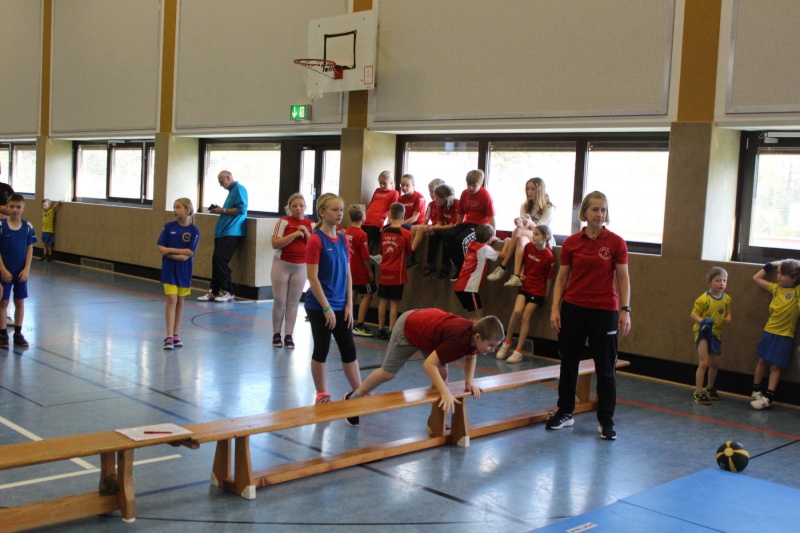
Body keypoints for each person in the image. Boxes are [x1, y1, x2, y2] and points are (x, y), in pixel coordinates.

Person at [547, 191, 630, 440]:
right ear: (584, 212)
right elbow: (562, 277)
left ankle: (606, 420)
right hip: (573, 308)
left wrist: (625, 310)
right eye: (595, 209)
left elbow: (623, 278)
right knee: (568, 363)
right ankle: (565, 411)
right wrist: (555, 308)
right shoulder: (572, 243)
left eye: (603, 210)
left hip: (605, 311)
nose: (599, 214)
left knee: (606, 369)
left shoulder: (616, 242)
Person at [342, 308, 505, 426]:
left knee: (442, 377)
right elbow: (428, 365)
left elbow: (471, 356)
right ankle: (353, 398)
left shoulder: (473, 338)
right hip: (408, 328)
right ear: (478, 337)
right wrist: (445, 393)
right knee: (388, 373)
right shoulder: (458, 340)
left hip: (429, 334)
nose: (493, 350)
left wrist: (469, 382)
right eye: (491, 345)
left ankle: (435, 422)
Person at [304, 193, 362, 405]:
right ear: (322, 212)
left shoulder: (343, 240)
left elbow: (348, 274)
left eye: (341, 210)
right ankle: (322, 394)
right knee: (322, 349)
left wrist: (349, 305)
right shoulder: (315, 240)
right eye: (334, 209)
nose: (339, 213)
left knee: (349, 349)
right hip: (319, 306)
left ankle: (359, 392)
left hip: (340, 305)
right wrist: (326, 308)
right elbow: (312, 277)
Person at [496, 224, 554, 364]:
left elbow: (549, 279)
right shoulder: (528, 247)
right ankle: (506, 342)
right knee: (516, 311)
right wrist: (522, 272)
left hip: (538, 291)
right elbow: (523, 263)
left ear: (545, 238)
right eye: (533, 234)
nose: (533, 237)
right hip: (525, 286)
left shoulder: (549, 256)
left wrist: (546, 296)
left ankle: (518, 351)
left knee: (525, 317)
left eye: (537, 235)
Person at [749, 259, 800, 410]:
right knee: (762, 361)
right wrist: (772, 264)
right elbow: (756, 278)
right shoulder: (776, 289)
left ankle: (769, 397)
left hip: (784, 335)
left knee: (775, 367)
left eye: (783, 274)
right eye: (779, 273)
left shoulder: (797, 292)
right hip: (769, 331)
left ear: (794, 278)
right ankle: (755, 390)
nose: (779, 276)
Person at [487, 177, 555, 286]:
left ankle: (503, 266)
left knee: (518, 231)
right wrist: (520, 224)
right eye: (528, 189)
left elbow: (541, 231)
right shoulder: (525, 206)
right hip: (529, 235)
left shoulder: (549, 207)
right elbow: (524, 227)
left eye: (532, 189)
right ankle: (516, 276)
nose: (529, 192)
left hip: (543, 239)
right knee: (521, 239)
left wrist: (529, 224)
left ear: (540, 190)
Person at [270, 193, 313, 349]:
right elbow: (275, 243)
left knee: (293, 302)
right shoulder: (283, 222)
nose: (298, 208)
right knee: (280, 301)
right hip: (282, 265)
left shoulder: (310, 224)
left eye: (301, 206)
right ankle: (276, 333)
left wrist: (306, 233)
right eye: (294, 206)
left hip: (301, 267)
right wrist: (294, 234)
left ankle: (289, 335)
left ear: (305, 208)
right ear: (289, 208)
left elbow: (314, 245)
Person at [197, 170, 248, 303]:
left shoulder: (239, 189)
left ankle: (228, 291)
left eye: (221, 182)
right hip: (222, 231)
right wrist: (220, 210)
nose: (221, 185)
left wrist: (222, 210)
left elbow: (242, 210)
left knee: (220, 258)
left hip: (232, 232)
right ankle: (214, 290)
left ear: (228, 177)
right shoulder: (231, 192)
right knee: (216, 260)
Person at [157, 198, 200, 350]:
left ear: (187, 210)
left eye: (178, 207)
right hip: (169, 269)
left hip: (184, 271)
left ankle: (176, 334)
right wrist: (176, 256)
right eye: (174, 207)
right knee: (172, 299)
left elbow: (190, 251)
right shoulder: (168, 227)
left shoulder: (194, 230)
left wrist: (170, 250)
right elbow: (161, 248)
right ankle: (169, 335)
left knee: (180, 301)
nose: (174, 210)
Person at [442, 169, 495, 281]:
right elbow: (460, 213)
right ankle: (458, 264)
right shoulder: (465, 193)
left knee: (461, 240)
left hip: (480, 225)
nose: (470, 188)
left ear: (480, 183)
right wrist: (457, 227)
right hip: (467, 223)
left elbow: (491, 217)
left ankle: (466, 268)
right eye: (468, 185)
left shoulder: (485, 195)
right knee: (448, 235)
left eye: (474, 186)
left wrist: (492, 234)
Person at [689, 267, 732, 404]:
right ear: (709, 283)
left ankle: (710, 387)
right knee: (704, 362)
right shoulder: (703, 299)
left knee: (715, 363)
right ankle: (698, 391)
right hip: (703, 332)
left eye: (724, 280)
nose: (721, 283)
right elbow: (693, 314)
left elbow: (728, 312)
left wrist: (728, 317)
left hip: (716, 333)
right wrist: (703, 322)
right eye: (718, 280)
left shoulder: (727, 299)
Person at [0, 194, 37, 348]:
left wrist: (26, 269)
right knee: (3, 302)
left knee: (19, 302)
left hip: (21, 273)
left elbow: (29, 249)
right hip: (4, 272)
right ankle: (2, 334)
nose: (15, 210)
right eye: (12, 206)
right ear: (7, 207)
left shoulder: (27, 227)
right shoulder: (1, 226)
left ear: (23, 209)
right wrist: (2, 270)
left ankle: (18, 333)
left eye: (18, 207)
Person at [453, 224, 506, 321]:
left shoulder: (472, 244)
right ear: (489, 238)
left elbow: (482, 246)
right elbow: (504, 255)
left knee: (474, 317)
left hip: (460, 287)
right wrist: (508, 241)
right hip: (469, 289)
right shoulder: (485, 249)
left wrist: (490, 240)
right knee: (479, 318)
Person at [375, 203, 412, 339]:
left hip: (384, 271)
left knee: (383, 301)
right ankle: (391, 330)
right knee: (394, 303)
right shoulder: (406, 233)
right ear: (403, 216)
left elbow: (381, 250)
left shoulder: (384, 231)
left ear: (390, 215)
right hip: (397, 273)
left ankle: (380, 329)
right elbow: (409, 251)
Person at [344, 204, 376, 337]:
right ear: (363, 217)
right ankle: (360, 324)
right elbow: (365, 256)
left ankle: (348, 321)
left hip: (349, 269)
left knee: (352, 293)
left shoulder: (346, 232)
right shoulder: (362, 234)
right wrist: (370, 271)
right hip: (360, 271)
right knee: (368, 294)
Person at [419, 184, 459, 279]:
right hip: (447, 228)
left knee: (447, 236)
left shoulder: (457, 204)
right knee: (433, 234)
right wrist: (432, 229)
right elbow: (440, 223)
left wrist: (435, 228)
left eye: (437, 198)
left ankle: (445, 267)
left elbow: (453, 225)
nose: (435, 200)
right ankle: (430, 265)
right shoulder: (440, 206)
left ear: (445, 198)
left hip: (457, 228)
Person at [408, 178, 445, 269]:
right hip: (432, 225)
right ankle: (413, 257)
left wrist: (428, 228)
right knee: (414, 228)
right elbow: (426, 220)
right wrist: (423, 227)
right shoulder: (431, 204)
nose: (431, 194)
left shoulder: (442, 204)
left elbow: (442, 222)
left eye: (433, 191)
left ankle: (411, 252)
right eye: (430, 191)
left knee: (420, 229)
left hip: (439, 227)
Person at [362, 170, 399, 253]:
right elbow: (371, 204)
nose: (382, 185)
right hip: (366, 219)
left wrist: (387, 225)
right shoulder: (377, 190)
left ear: (391, 182)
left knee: (367, 245)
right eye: (380, 183)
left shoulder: (394, 193)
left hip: (377, 221)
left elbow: (391, 210)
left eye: (384, 183)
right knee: (360, 241)